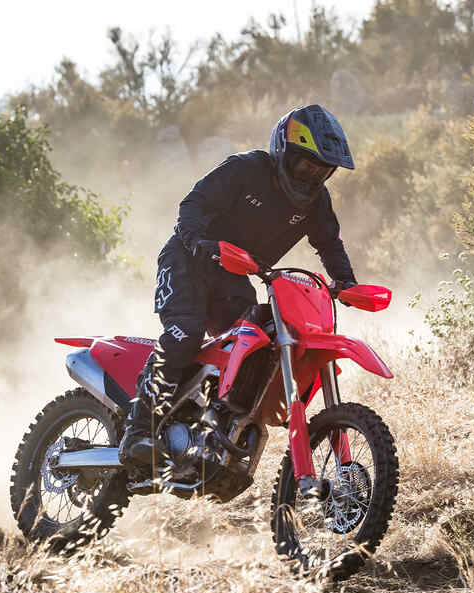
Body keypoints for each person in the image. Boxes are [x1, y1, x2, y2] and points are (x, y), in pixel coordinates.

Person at [119, 104, 358, 465]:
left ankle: (214, 424)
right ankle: (136, 430)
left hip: (234, 275)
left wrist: (346, 282)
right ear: (284, 152)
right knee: (186, 332)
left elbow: (329, 244)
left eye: (322, 170)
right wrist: (200, 241)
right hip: (187, 261)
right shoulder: (245, 170)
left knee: (258, 342)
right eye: (307, 164)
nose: (312, 176)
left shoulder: (316, 202)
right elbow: (192, 206)